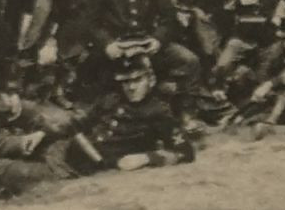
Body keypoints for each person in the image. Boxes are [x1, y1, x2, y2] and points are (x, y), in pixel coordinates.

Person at [51, 54, 196, 174]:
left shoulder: (158, 111)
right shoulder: (112, 98)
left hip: (104, 169)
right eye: (126, 82)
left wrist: (147, 158)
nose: (131, 87)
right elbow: (79, 123)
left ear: (151, 80)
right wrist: (42, 133)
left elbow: (185, 152)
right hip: (72, 155)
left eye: (137, 80)